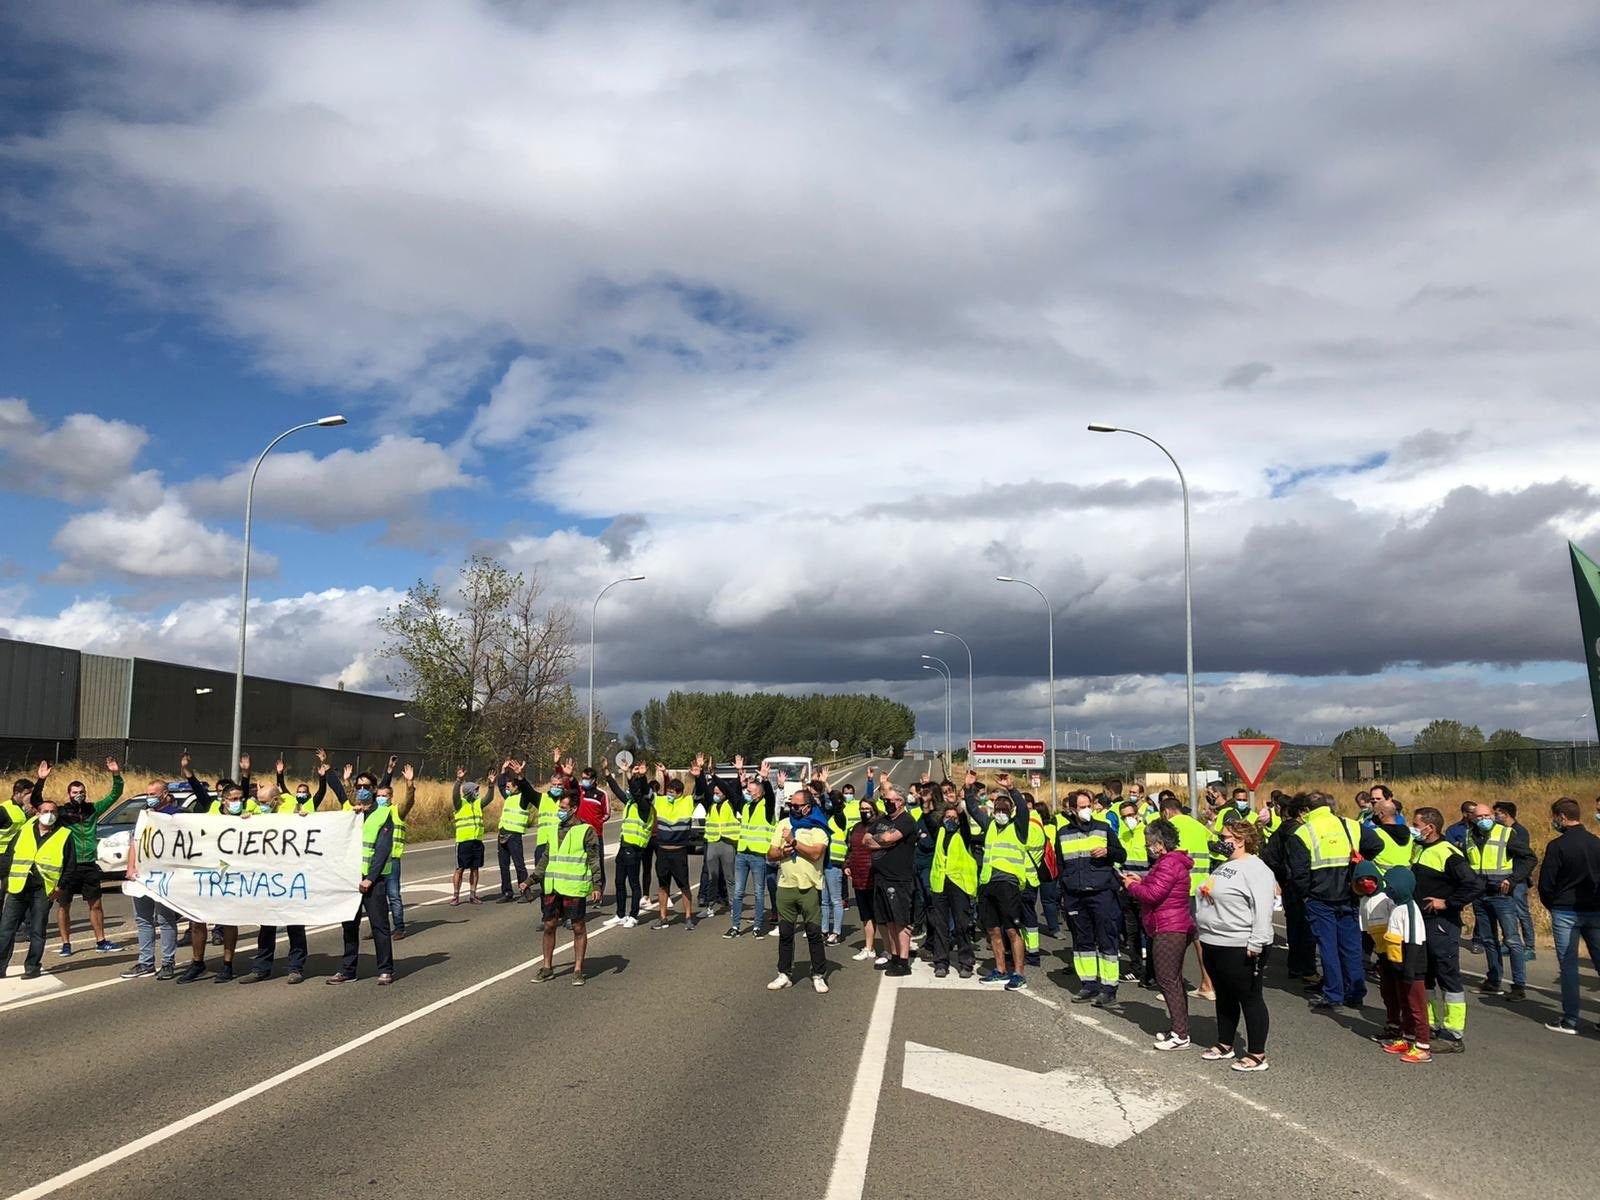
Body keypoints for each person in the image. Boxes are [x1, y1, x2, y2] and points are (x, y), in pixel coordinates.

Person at [1288, 792, 1382, 1012]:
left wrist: (1305, 895)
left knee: (1328, 947)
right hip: (1349, 893)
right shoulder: (1350, 825)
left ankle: (1333, 995)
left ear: (1306, 810)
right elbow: (1377, 844)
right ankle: (1355, 993)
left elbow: (1299, 873)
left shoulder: (1303, 832)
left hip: (1319, 897)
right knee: (1351, 946)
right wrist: (1359, 860)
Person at [1195, 818, 1276, 1072]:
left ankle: (1257, 1054)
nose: (1220, 841)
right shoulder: (1225, 865)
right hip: (1213, 941)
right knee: (1225, 995)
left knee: (1249, 997)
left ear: (1240, 840)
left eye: (1224, 837)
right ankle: (1225, 1043)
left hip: (1240, 944)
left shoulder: (1257, 869)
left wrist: (1257, 942)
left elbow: (1263, 909)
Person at [1409, 807, 1482, 1053]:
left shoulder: (1448, 853)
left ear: (1430, 827)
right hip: (1421, 922)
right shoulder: (1420, 848)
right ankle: (1428, 1025)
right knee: (1425, 975)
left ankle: (1453, 1034)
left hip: (1441, 923)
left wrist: (1448, 903)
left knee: (1447, 975)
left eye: (1416, 824)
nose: (1413, 828)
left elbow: (1474, 885)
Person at [1123, 819, 1196, 1050]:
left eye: (1148, 844)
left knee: (1167, 980)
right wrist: (1141, 880)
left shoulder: (1168, 863)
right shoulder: (1170, 863)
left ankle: (1180, 1035)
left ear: (1160, 844)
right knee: (1173, 979)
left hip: (1169, 927)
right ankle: (1179, 1028)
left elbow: (1153, 894)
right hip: (1172, 924)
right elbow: (1158, 885)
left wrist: (1131, 886)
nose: (1147, 848)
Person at [1056, 788, 1126, 1008]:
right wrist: (1065, 890)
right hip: (1075, 894)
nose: (1087, 810)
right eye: (1082, 807)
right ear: (1072, 809)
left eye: (1089, 805)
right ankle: (1088, 984)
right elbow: (1060, 864)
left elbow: (1121, 854)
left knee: (1107, 939)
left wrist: (1108, 852)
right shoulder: (1063, 833)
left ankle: (1108, 988)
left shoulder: (1103, 828)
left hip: (1101, 892)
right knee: (1082, 940)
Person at [525, 788, 602, 984]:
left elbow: (594, 859)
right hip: (552, 887)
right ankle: (547, 967)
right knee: (549, 925)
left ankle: (578, 970)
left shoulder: (586, 831)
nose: (559, 811)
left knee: (578, 927)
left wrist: (597, 885)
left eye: (563, 808)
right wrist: (530, 880)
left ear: (574, 809)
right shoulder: (553, 829)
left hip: (574, 888)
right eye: (559, 807)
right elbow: (545, 859)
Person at [1537, 797, 1600, 1034]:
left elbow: (1546, 883)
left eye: (1555, 817)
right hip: (1594, 910)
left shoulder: (1557, 846)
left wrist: (1552, 905)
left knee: (1569, 965)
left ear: (1561, 817)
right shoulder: (1596, 843)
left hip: (1565, 910)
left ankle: (1570, 1019)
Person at [53, 758, 125, 955]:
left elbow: (115, 794)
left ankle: (101, 941)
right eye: (75, 792)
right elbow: (40, 806)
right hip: (68, 865)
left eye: (81, 792)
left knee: (96, 904)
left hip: (89, 865)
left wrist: (115, 773)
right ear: (68, 794)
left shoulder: (92, 809)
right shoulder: (62, 813)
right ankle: (66, 944)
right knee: (64, 905)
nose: (78, 795)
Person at [1465, 802, 1535, 1001]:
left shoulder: (1505, 834)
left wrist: (1513, 880)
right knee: (1489, 940)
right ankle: (1493, 980)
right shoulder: (1469, 835)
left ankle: (1519, 986)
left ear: (1493, 816)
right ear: (1473, 818)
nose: (1483, 820)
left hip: (1501, 895)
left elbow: (1529, 858)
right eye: (1479, 817)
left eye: (1487, 816)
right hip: (1480, 895)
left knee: (1512, 940)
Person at [1362, 863, 1431, 1063]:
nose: (1388, 890)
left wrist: (1409, 968)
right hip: (1398, 964)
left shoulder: (1409, 909)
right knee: (1405, 1004)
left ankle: (1423, 1046)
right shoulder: (1398, 907)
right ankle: (1407, 1039)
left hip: (1412, 966)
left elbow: (1414, 940)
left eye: (1391, 886)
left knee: (1417, 1007)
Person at [765, 785, 831, 993]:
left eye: (796, 806)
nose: (792, 808)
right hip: (786, 886)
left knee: (813, 933)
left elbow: (815, 853)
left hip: (809, 887)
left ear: (807, 807)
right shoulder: (784, 824)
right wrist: (784, 851)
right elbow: (771, 853)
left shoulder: (819, 827)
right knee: (785, 933)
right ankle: (784, 973)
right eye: (790, 805)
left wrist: (794, 842)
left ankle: (818, 974)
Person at [327, 784, 395, 985]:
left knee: (379, 926)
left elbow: (382, 850)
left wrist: (370, 878)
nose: (362, 790)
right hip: (350, 879)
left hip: (372, 881)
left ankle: (385, 969)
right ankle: (348, 970)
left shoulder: (383, 814)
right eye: (359, 786)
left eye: (366, 786)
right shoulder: (351, 814)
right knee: (349, 926)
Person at [0, 795, 73, 980]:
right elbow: (9, 855)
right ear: (38, 814)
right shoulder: (24, 831)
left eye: (53, 812)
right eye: (45, 811)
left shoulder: (64, 835)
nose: (49, 815)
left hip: (43, 889)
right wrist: (5, 878)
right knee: (5, 929)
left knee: (37, 930)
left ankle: (32, 967)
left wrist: (60, 887)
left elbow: (70, 865)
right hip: (18, 887)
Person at [119, 781, 185, 980]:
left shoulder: (177, 815)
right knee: (143, 919)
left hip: (163, 876)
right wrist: (130, 867)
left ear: (165, 794)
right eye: (148, 794)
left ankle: (167, 962)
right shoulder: (145, 815)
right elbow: (135, 843)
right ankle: (146, 962)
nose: (150, 797)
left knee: (165, 919)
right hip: (142, 876)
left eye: (153, 794)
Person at [970, 788, 1032, 991]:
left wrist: (1012, 789)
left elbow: (1023, 809)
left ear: (1011, 811)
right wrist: (969, 789)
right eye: (998, 809)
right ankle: (1000, 970)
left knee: (1012, 930)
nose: (1001, 813)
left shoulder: (1019, 827)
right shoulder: (989, 825)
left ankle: (1019, 974)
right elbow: (973, 809)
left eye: (1005, 810)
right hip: (988, 883)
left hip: (1009, 884)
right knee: (993, 930)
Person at [1159, 790, 1215, 997]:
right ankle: (1208, 984)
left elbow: (1167, 860)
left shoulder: (1170, 828)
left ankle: (1175, 989)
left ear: (1166, 812)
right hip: (1202, 888)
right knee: (1200, 937)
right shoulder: (1199, 826)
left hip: (1179, 890)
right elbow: (1216, 850)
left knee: (1176, 939)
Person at [862, 781, 918, 976]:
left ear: (900, 802)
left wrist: (882, 840)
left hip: (898, 879)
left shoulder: (906, 820)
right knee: (889, 920)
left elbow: (887, 838)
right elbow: (866, 839)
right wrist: (883, 841)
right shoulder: (882, 820)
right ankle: (894, 956)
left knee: (901, 920)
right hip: (881, 877)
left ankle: (903, 961)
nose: (886, 803)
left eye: (889, 800)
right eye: (885, 800)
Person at [925, 796, 979, 979]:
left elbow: (964, 824)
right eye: (948, 817)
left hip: (959, 884)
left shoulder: (962, 835)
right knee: (940, 925)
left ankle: (966, 962)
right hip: (940, 884)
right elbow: (928, 820)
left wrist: (960, 809)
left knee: (962, 925)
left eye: (954, 818)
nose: (951, 820)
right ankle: (941, 962)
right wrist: (926, 803)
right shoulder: (939, 833)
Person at [728, 760, 776, 938]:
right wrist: (739, 774)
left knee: (758, 893)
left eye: (751, 791)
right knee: (738, 892)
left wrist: (765, 779)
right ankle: (735, 926)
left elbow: (770, 796)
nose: (748, 793)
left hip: (758, 856)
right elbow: (732, 794)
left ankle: (757, 927)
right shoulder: (746, 806)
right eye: (747, 791)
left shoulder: (767, 807)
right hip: (742, 854)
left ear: (759, 792)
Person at [650, 765, 697, 929]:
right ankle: (663, 917)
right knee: (663, 885)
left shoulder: (687, 802)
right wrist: (640, 776)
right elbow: (644, 792)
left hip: (679, 852)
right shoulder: (661, 801)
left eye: (671, 793)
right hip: (663, 851)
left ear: (679, 794)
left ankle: (688, 917)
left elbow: (700, 791)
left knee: (684, 886)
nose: (668, 795)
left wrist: (699, 775)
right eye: (667, 792)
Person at [607, 762, 653, 926]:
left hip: (635, 849)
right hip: (624, 847)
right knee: (619, 882)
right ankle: (620, 914)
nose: (629, 792)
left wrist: (631, 777)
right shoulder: (630, 803)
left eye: (632, 790)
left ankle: (633, 915)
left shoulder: (644, 807)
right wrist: (607, 774)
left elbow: (637, 793)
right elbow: (617, 790)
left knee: (634, 883)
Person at [698, 754, 741, 921]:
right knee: (712, 877)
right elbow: (703, 789)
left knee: (730, 877)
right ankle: (709, 906)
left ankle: (734, 906)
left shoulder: (731, 803)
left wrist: (716, 776)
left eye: (718, 792)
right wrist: (701, 773)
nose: (715, 793)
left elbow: (730, 789)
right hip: (712, 844)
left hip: (727, 844)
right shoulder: (711, 804)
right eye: (714, 791)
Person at [1492, 801, 1536, 962]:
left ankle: (1529, 946)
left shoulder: (1519, 832)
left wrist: (1515, 878)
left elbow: (1524, 857)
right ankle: (1509, 942)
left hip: (1518, 879)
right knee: (1507, 913)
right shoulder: (1501, 831)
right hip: (1504, 878)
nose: (1495, 817)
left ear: (1505, 814)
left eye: (1497, 813)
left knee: (1522, 913)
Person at [1117, 798, 1152, 987]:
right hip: (1127, 889)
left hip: (1145, 889)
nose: (1128, 819)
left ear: (1137, 815)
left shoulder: (1146, 833)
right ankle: (1136, 968)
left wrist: (1145, 881)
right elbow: (1118, 861)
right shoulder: (1122, 834)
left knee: (1149, 932)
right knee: (1132, 933)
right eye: (1125, 817)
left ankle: (1152, 972)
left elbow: (1155, 863)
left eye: (1131, 815)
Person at [844, 793, 881, 963]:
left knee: (880, 915)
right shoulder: (856, 828)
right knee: (866, 915)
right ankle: (869, 947)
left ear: (874, 809)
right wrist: (847, 865)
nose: (864, 811)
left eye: (867, 808)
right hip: (859, 877)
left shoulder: (880, 826)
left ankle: (889, 949)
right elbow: (850, 849)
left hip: (875, 875)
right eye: (862, 809)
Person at [821, 784, 858, 945]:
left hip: (834, 863)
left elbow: (836, 806)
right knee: (824, 901)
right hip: (822, 862)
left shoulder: (840, 818)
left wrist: (830, 790)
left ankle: (836, 932)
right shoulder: (826, 817)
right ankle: (824, 930)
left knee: (835, 899)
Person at [494, 760, 535, 903]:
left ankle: (526, 892)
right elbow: (500, 785)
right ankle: (507, 892)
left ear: (516, 787)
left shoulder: (524, 799)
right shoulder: (509, 797)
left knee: (519, 865)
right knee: (503, 865)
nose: (506, 789)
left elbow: (527, 790)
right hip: (503, 834)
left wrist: (520, 775)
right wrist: (503, 771)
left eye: (509, 787)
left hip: (514, 836)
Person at [449, 766, 487, 905]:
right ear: (470, 792)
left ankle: (473, 894)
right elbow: (455, 795)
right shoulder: (460, 804)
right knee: (459, 869)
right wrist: (459, 780)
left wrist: (491, 785)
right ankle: (456, 895)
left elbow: (489, 798)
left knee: (475, 869)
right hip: (463, 841)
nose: (478, 793)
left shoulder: (477, 804)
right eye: (476, 790)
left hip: (477, 840)